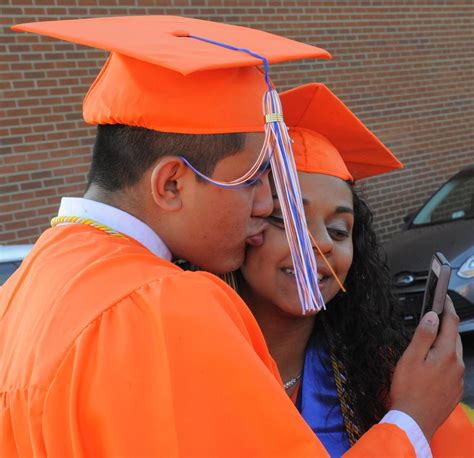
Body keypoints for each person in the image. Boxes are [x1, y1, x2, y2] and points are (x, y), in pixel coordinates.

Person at [0, 16, 464, 457]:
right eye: (250, 180)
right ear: (171, 184)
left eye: (339, 229)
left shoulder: (20, 293)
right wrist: (411, 422)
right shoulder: (164, 306)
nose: (262, 205)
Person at [235, 83, 472, 457]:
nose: (323, 244)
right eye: (288, 220)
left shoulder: (383, 375)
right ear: (240, 227)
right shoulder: (186, 362)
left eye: (338, 230)